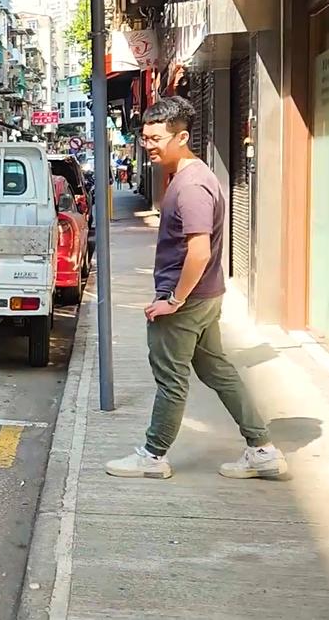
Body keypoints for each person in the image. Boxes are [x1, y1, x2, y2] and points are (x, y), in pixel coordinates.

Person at [106, 96, 287, 480]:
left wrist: (173, 299)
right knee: (218, 371)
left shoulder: (191, 185)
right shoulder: (194, 177)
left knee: (171, 379)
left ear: (182, 136)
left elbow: (199, 251)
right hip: (204, 298)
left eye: (156, 138)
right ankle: (262, 449)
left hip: (186, 303)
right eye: (145, 137)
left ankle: (153, 456)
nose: (148, 145)